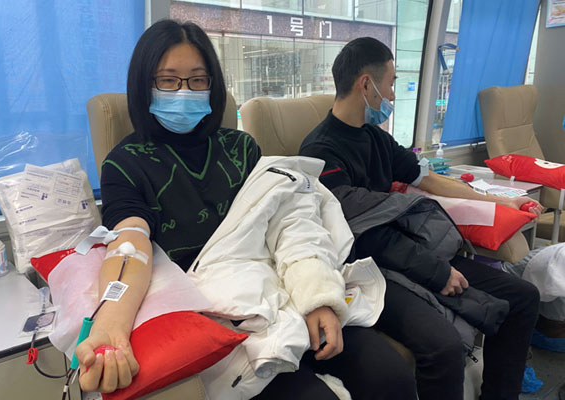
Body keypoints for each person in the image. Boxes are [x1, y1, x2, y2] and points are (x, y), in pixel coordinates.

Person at [74, 20, 417, 399]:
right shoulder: (125, 164)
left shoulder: (241, 149)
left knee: (390, 376)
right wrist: (110, 324)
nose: (184, 91)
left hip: (282, 289)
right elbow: (129, 245)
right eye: (168, 80)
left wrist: (317, 296)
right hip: (220, 315)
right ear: (144, 85)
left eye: (197, 80)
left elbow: (289, 222)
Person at [299, 36, 542, 400]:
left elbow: (427, 177)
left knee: (522, 297)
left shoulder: (375, 138)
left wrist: (499, 202)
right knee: (443, 348)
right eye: (391, 83)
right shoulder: (320, 151)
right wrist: (437, 272)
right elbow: (363, 234)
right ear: (366, 84)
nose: (392, 95)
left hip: (408, 254)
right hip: (369, 270)